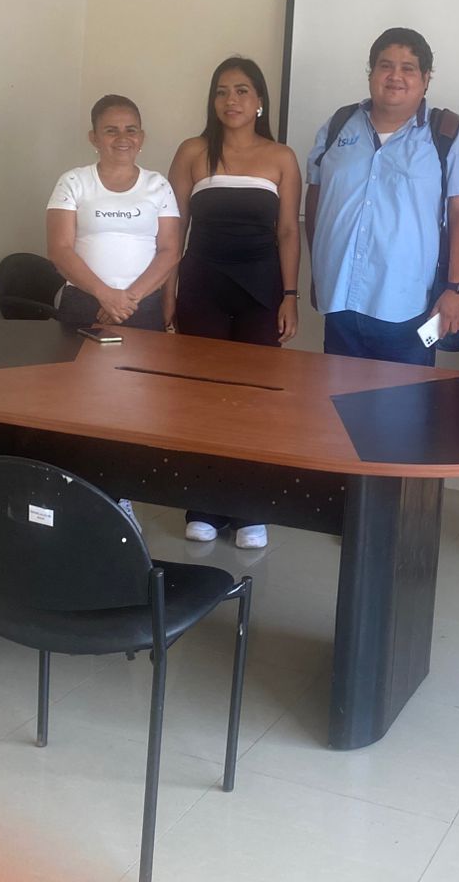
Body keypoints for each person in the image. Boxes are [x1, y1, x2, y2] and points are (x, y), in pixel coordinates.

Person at [166, 56, 301, 551]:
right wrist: (167, 293)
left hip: (262, 290)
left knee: (254, 401)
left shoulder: (281, 156)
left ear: (260, 99)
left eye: (242, 90)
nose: (231, 100)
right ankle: (203, 504)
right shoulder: (193, 151)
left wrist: (291, 296)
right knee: (202, 397)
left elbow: (288, 233)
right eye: (222, 91)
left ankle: (249, 508)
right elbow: (172, 230)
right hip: (201, 285)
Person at [305, 27, 459, 365]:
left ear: (426, 79)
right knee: (337, 397)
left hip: (408, 308)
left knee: (403, 398)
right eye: (385, 66)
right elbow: (316, 199)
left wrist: (457, 290)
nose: (395, 76)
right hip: (340, 299)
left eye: (408, 68)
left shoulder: (447, 133)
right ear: (371, 73)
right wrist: (317, 271)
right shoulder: (338, 125)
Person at [46, 94, 181, 331]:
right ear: (94, 138)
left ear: (141, 137)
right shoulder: (73, 181)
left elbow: (170, 250)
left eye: (131, 130)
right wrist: (106, 296)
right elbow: (59, 249)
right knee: (76, 358)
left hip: (142, 304)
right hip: (83, 302)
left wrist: (127, 300)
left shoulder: (158, 185)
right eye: (111, 131)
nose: (123, 138)